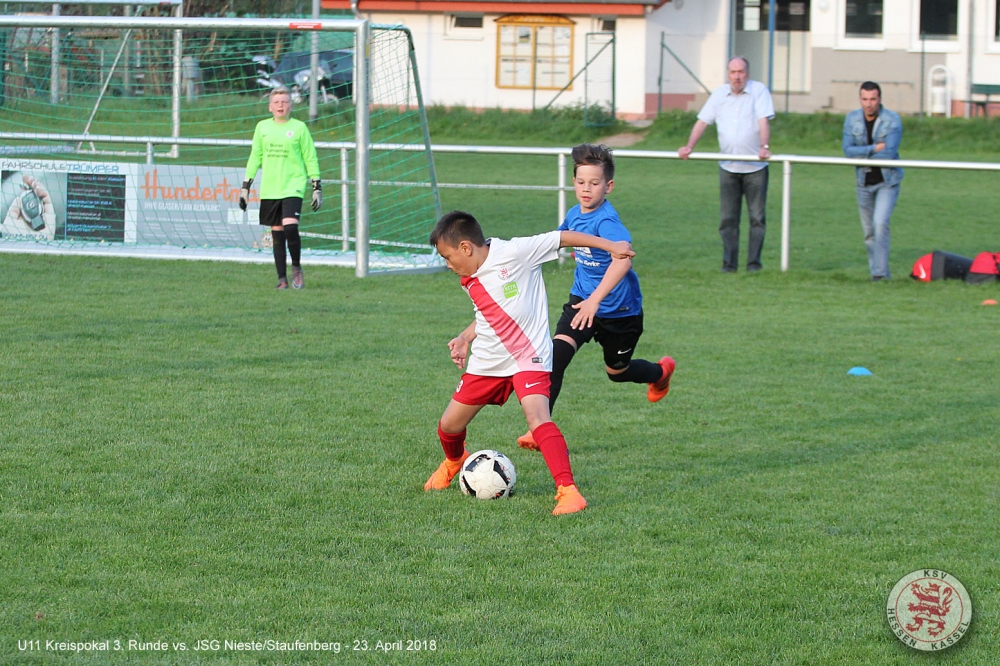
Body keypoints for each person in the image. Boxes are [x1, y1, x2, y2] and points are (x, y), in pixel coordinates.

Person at [425, 210, 635, 516]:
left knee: (537, 419)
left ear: (466, 248)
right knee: (449, 426)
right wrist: (465, 337)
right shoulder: (468, 278)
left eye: (447, 256)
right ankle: (455, 461)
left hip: (529, 356)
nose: (447, 264)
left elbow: (562, 238)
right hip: (488, 361)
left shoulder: (516, 252)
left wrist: (611, 246)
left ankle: (569, 492)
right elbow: (490, 312)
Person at [516, 144, 675, 452]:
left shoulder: (607, 222)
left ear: (608, 186)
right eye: (581, 182)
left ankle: (660, 372)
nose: (586, 189)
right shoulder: (574, 214)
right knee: (555, 358)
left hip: (620, 312)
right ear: (573, 182)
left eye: (594, 183)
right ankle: (539, 429)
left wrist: (596, 300)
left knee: (617, 372)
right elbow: (554, 242)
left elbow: (623, 260)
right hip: (581, 302)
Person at [678, 57, 774, 273]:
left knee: (757, 218)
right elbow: (703, 121)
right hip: (728, 168)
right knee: (728, 220)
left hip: (755, 169)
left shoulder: (758, 91)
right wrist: (689, 146)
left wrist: (764, 146)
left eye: (741, 72)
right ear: (728, 74)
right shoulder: (719, 94)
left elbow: (763, 121)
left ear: (747, 73)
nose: (737, 76)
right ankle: (729, 265)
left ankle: (754, 265)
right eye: (733, 72)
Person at [240, 86, 323, 289]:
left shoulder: (299, 128)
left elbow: (310, 157)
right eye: (277, 102)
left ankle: (296, 267)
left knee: (290, 226)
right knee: (277, 234)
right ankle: (281, 279)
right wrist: (245, 187)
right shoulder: (262, 127)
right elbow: (255, 157)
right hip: (270, 188)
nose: (280, 105)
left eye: (285, 102)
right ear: (270, 107)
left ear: (291, 106)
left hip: (293, 186)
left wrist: (316, 186)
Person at [842, 81, 903, 281]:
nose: (869, 104)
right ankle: (876, 271)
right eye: (865, 99)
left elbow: (889, 153)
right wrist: (873, 148)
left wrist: (862, 152)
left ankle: (880, 274)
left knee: (880, 223)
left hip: (887, 181)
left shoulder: (892, 119)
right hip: (863, 182)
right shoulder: (852, 119)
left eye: (873, 99)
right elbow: (847, 151)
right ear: (860, 99)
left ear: (880, 99)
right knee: (869, 233)